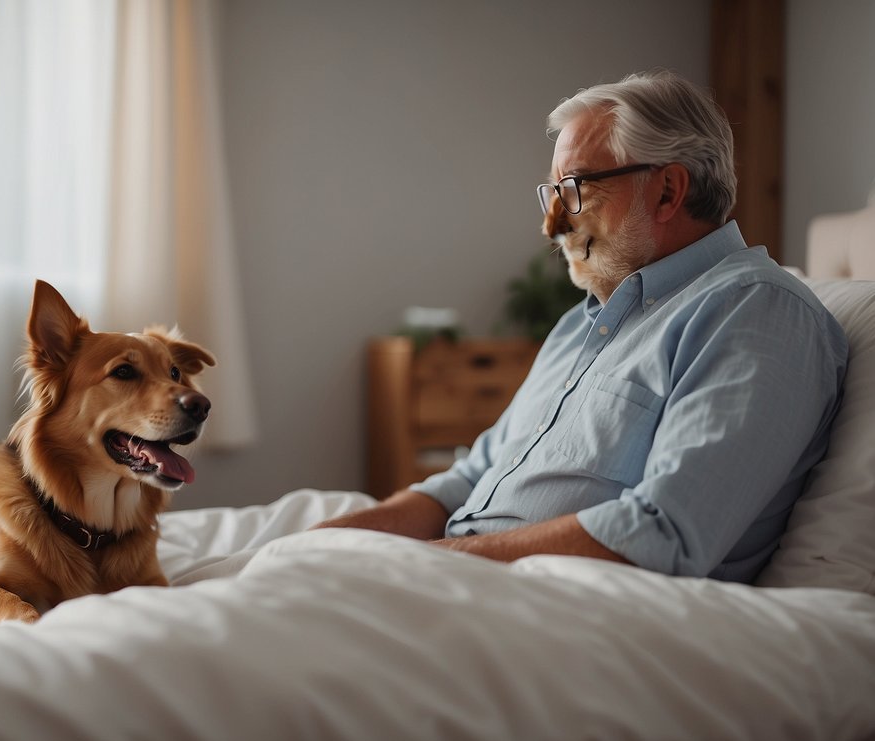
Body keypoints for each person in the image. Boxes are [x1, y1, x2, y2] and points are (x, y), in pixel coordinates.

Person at [316, 70, 848, 582]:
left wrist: (430, 564)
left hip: (552, 604)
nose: (553, 223)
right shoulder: (579, 325)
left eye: (575, 189)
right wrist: (317, 547)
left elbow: (662, 534)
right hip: (461, 577)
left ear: (667, 191)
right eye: (552, 193)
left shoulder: (757, 312)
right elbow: (465, 482)